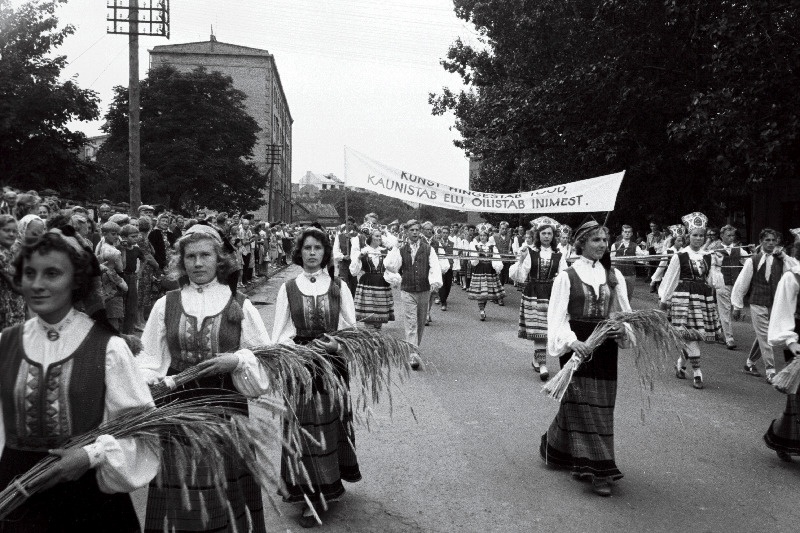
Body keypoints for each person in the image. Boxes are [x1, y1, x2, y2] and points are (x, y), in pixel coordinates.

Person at [0, 230, 159, 531]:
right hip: (16, 495)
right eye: (30, 273)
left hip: (86, 499)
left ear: (76, 281)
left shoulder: (108, 347)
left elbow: (144, 431)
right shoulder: (5, 344)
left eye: (52, 273)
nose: (37, 284)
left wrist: (92, 454)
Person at [138, 224, 272, 533]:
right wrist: (152, 381)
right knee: (181, 482)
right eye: (190, 256)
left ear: (219, 259)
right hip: (178, 407)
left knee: (223, 482)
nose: (198, 263)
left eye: (205, 255)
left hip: (225, 406)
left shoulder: (238, 303)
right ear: (181, 261)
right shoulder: (166, 304)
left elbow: (265, 358)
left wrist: (236, 360)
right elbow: (148, 359)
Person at [272, 227, 361, 528]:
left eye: (317, 248)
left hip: (332, 365)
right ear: (299, 252)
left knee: (328, 425)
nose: (312, 253)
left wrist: (337, 344)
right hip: (300, 366)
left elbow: (352, 327)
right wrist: (293, 352)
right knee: (303, 427)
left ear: (325, 252)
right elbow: (280, 333)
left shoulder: (339, 286)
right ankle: (307, 492)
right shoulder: (289, 288)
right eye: (307, 248)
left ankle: (326, 486)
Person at [540, 221, 632, 497]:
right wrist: (571, 342)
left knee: (598, 405)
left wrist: (621, 328)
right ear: (581, 244)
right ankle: (599, 470)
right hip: (577, 345)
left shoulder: (614, 276)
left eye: (605, 240)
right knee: (583, 404)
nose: (603, 245)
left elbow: (624, 312)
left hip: (604, 346)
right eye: (596, 240)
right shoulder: (566, 276)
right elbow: (556, 318)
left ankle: (554, 447)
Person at [659, 212, 722, 390]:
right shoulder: (679, 256)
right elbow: (670, 279)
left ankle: (680, 363)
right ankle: (697, 372)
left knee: (694, 337)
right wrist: (664, 300)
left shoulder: (709, 256)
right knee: (691, 337)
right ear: (688, 236)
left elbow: (713, 283)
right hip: (683, 299)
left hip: (702, 298)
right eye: (695, 235)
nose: (698, 238)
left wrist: (717, 267)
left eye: (701, 235)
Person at [732, 228, 795, 383]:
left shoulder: (781, 260)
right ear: (760, 242)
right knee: (767, 336)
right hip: (757, 302)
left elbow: (794, 271)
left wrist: (785, 256)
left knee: (764, 335)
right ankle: (771, 370)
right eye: (767, 240)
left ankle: (750, 363)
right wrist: (737, 305)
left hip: (774, 303)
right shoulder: (752, 260)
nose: (771, 243)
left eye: (773, 240)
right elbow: (742, 283)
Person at [511, 217, 567, 379]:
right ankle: (543, 364)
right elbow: (520, 276)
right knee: (539, 331)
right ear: (538, 235)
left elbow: (564, 276)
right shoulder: (530, 251)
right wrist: (521, 260)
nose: (547, 236)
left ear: (554, 236)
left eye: (550, 233)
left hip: (551, 294)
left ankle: (537, 359)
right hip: (533, 294)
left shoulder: (558, 254)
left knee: (548, 331)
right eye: (544, 233)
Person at [385, 219, 443, 370]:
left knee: (420, 321)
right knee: (411, 322)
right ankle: (412, 354)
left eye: (417, 230)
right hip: (407, 289)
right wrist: (394, 249)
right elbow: (392, 266)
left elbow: (435, 266)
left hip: (424, 290)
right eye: (412, 230)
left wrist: (434, 281)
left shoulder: (428, 249)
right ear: (406, 232)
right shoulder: (402, 249)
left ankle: (414, 347)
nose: (415, 233)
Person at [765, 237, 800, 462]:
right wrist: (791, 342)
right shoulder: (793, 277)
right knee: (798, 394)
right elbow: (782, 311)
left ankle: (784, 437)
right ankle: (785, 438)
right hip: (797, 338)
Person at [710, 224, 748, 350]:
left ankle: (719, 330)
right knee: (725, 310)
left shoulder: (739, 249)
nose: (731, 238)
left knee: (730, 310)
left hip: (736, 284)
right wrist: (715, 282)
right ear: (721, 236)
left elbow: (748, 263)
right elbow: (712, 268)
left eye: (733, 235)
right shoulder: (715, 249)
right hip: (722, 284)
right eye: (728, 235)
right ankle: (729, 338)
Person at [350, 227, 394, 328]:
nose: (379, 238)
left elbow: (392, 268)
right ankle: (371, 337)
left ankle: (377, 338)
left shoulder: (384, 251)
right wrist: (358, 258)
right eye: (377, 236)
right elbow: (353, 272)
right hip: (367, 283)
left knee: (379, 317)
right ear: (370, 237)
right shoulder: (364, 251)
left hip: (381, 284)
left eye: (380, 236)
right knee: (369, 317)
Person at [466, 227, 505, 321]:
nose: (483, 237)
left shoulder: (492, 247)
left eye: (484, 235)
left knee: (486, 292)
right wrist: (477, 255)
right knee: (481, 292)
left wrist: (498, 267)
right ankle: (481, 310)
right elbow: (473, 261)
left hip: (489, 271)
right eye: (481, 235)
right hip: (479, 270)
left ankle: (483, 309)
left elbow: (496, 257)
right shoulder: (475, 246)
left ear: (487, 237)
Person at [0, 215, 25, 330]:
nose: (11, 234)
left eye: (14, 231)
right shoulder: (2, 255)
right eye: (6, 230)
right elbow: (16, 285)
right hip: (6, 312)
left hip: (12, 309)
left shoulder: (9, 252)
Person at [97, 242, 127, 330]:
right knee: (114, 327)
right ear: (115, 261)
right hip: (113, 303)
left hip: (101, 302)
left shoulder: (98, 271)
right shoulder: (112, 273)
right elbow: (125, 287)